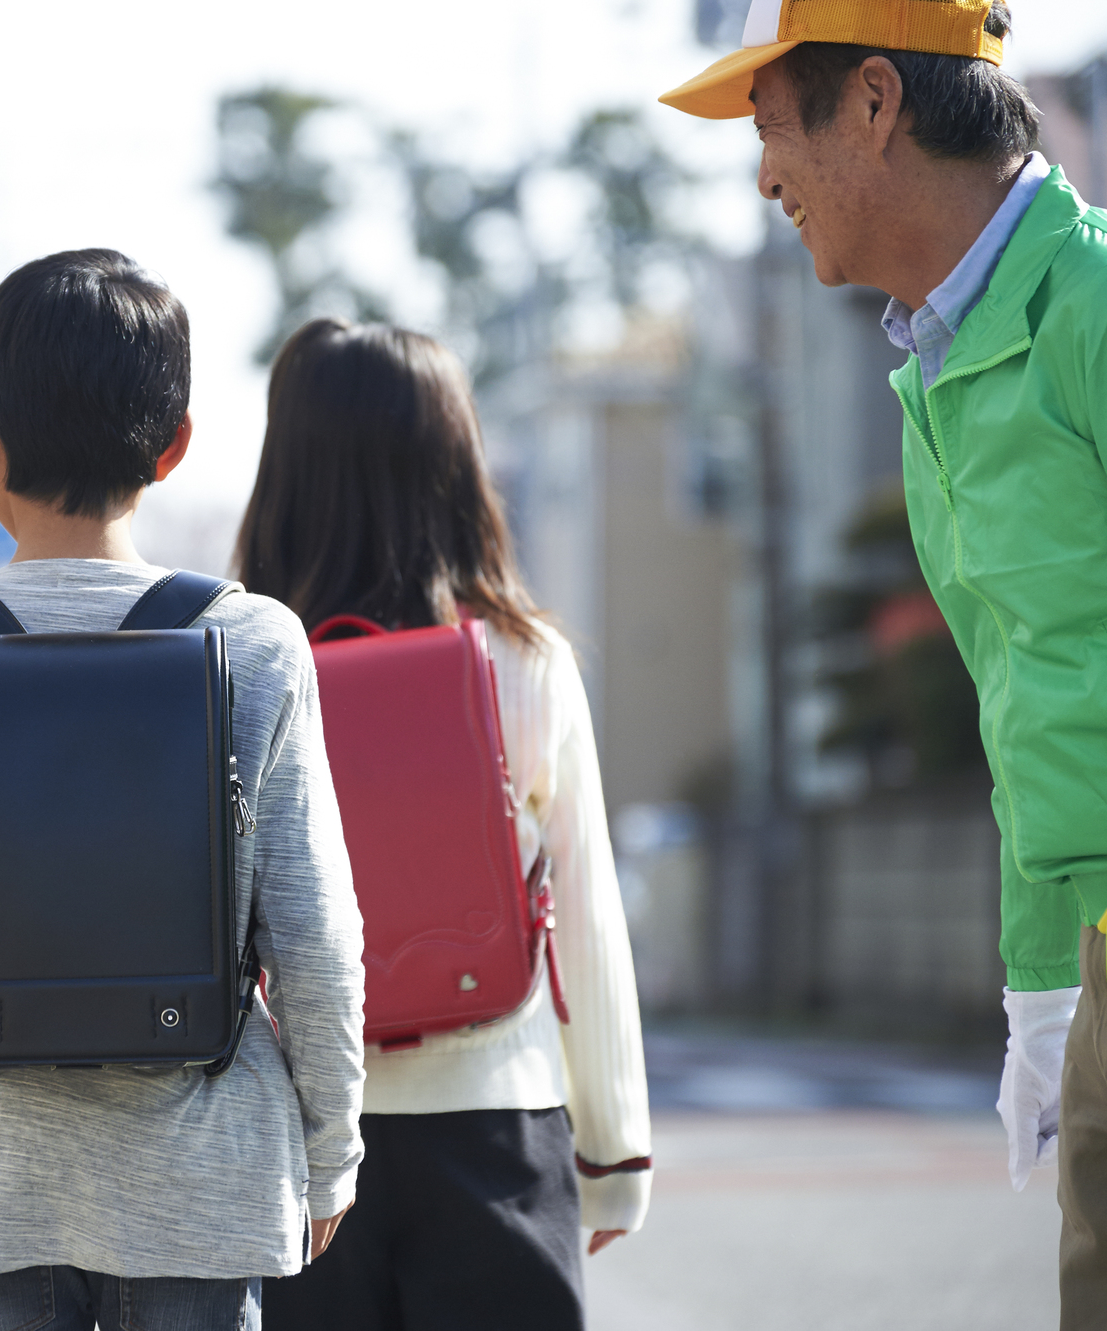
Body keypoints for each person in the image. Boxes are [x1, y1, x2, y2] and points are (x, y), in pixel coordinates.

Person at [662, 2, 1107, 1321]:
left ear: (874, 104)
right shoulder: (937, 370)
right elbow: (1027, 702)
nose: (764, 177)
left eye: (771, 129)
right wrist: (1043, 985)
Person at [0, 249, 367, 1331]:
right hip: (202, 1190)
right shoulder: (251, 644)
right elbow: (314, 931)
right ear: (174, 444)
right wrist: (327, 1149)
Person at [240, 319, 652, 1331]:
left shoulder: (236, 666)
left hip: (295, 1150)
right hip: (495, 1127)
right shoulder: (522, 659)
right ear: (456, 466)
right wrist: (612, 1150)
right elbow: (585, 920)